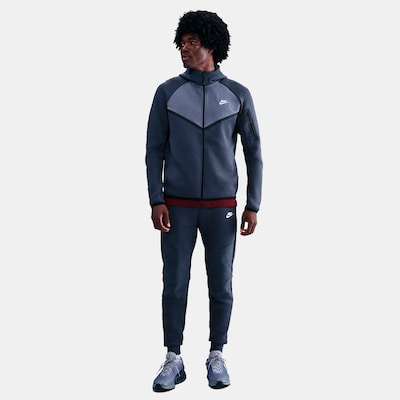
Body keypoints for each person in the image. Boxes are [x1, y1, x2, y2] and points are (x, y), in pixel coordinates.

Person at [145, 10, 263, 392]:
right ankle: (173, 358)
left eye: (192, 42)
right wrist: (156, 199)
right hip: (176, 208)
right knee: (174, 285)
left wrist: (253, 204)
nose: (184, 48)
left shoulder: (238, 95)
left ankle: (217, 354)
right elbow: (153, 150)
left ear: (212, 45)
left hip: (221, 209)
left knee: (221, 285)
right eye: (182, 42)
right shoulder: (167, 93)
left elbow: (254, 152)